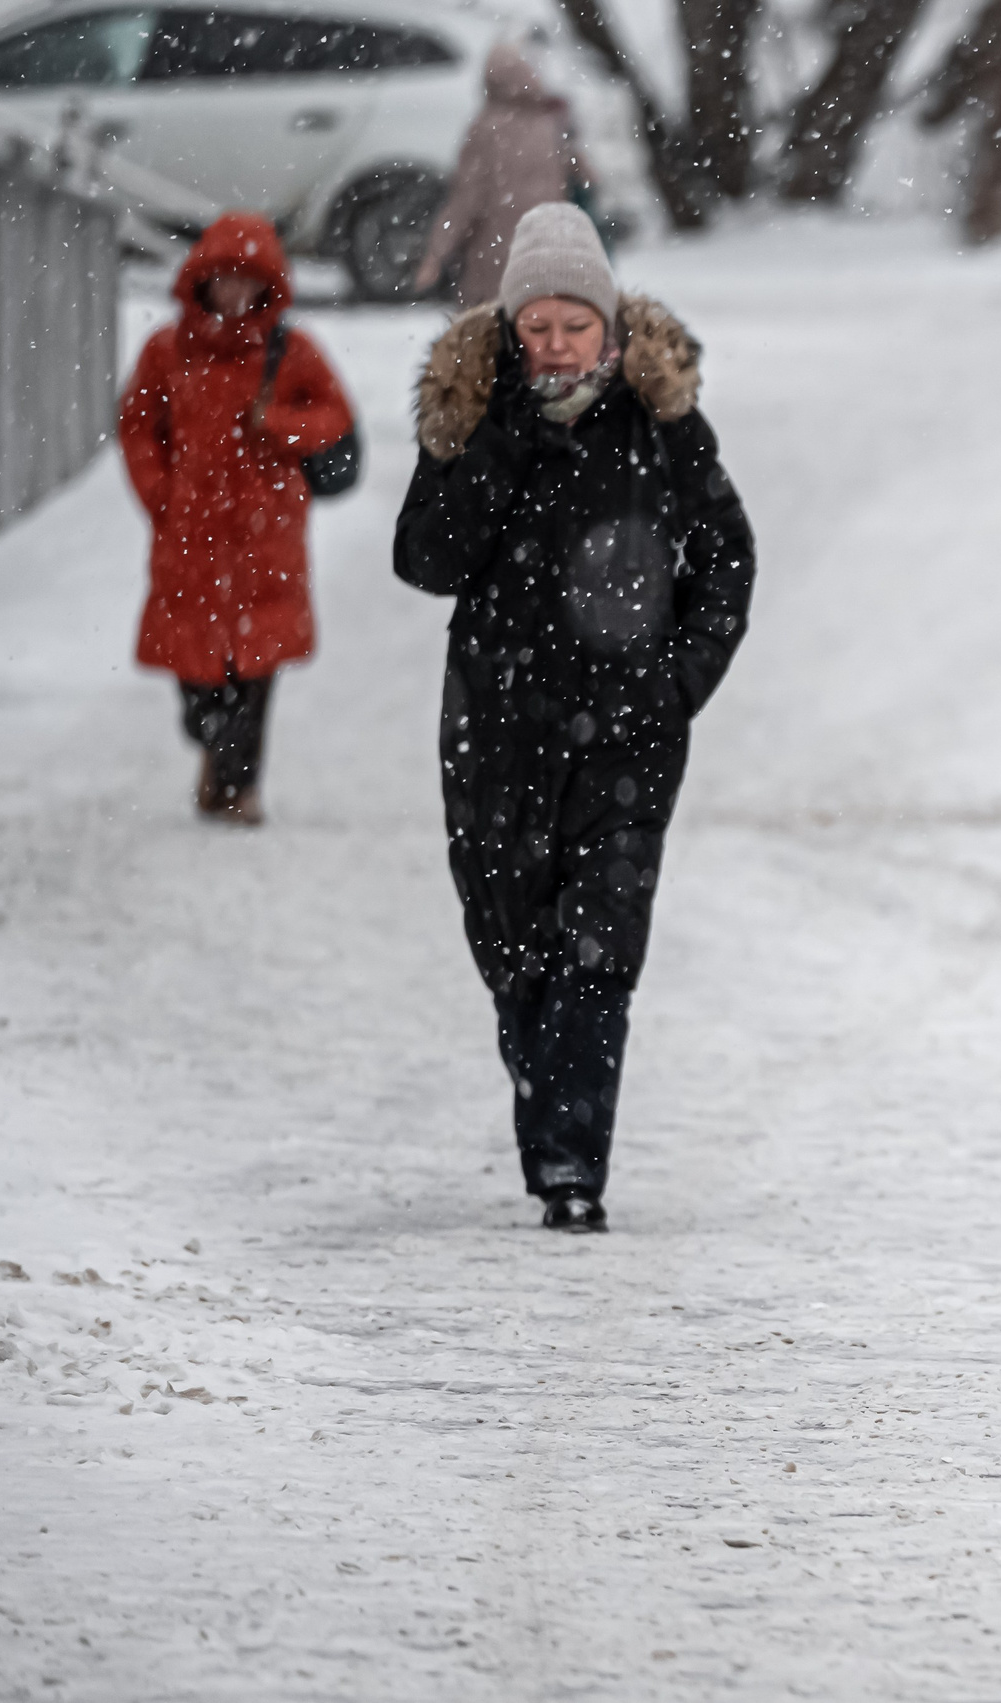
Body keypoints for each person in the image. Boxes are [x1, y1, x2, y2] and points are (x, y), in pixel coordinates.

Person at [393, 203, 755, 1232]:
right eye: (536, 325)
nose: (554, 345)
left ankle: (570, 1164)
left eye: (573, 324)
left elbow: (727, 554)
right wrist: (497, 452)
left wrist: (680, 678)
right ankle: (554, 1105)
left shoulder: (659, 424)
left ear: (609, 327)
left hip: (629, 740)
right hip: (496, 731)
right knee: (515, 950)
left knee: (598, 951)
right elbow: (425, 561)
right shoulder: (470, 418)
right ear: (513, 330)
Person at [119, 212, 354, 825]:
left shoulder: (292, 353)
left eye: (249, 281)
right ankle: (213, 751)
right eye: (224, 278)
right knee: (198, 682)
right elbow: (139, 426)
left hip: (266, 537)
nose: (235, 293)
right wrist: (160, 495)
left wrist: (277, 424)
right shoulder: (165, 352)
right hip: (190, 537)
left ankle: (239, 787)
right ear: (202, 279)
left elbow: (336, 420)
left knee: (254, 675)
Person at [412, 43, 588, 305]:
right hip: (547, 244)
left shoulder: (486, 128)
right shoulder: (548, 122)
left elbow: (466, 197)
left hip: (495, 250)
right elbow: (584, 173)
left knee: (491, 325)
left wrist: (437, 253)